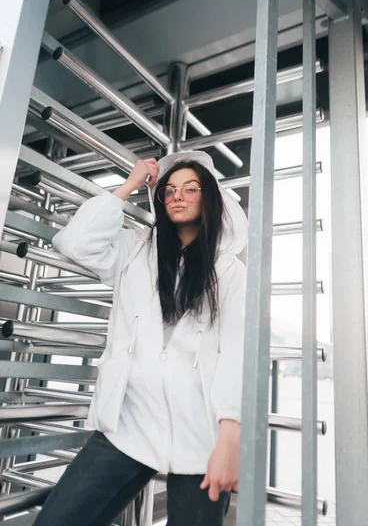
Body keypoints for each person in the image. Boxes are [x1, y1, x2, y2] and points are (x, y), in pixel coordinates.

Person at [33, 151, 247, 526]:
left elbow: (237, 352)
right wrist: (129, 184)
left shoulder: (229, 271)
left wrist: (230, 437)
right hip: (129, 423)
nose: (178, 195)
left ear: (209, 196)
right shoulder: (135, 250)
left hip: (200, 432)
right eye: (169, 190)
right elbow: (75, 243)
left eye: (191, 188)